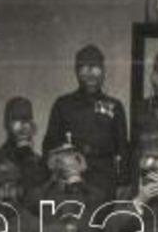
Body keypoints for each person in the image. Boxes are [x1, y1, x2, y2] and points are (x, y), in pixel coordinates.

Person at [44, 44, 130, 193]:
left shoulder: (114, 106)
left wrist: (123, 183)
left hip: (105, 178)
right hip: (70, 176)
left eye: (96, 67)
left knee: (102, 215)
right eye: (84, 67)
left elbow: (122, 148)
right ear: (77, 71)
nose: (91, 73)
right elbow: (49, 144)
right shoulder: (63, 104)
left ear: (103, 72)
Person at [0, 96, 46, 199]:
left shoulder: (41, 164)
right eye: (17, 120)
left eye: (27, 120)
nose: (23, 126)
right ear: (6, 124)